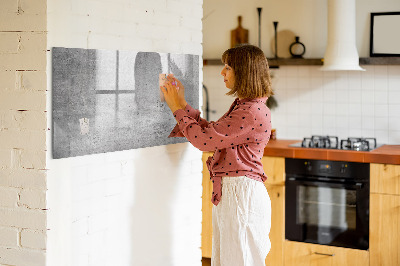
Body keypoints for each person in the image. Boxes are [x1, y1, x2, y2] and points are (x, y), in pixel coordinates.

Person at [161, 44, 273, 266]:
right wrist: (183, 103)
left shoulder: (250, 111)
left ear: (244, 72)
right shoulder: (246, 106)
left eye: (228, 67)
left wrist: (176, 107)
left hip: (241, 195)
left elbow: (204, 141)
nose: (222, 72)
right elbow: (212, 133)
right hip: (236, 193)